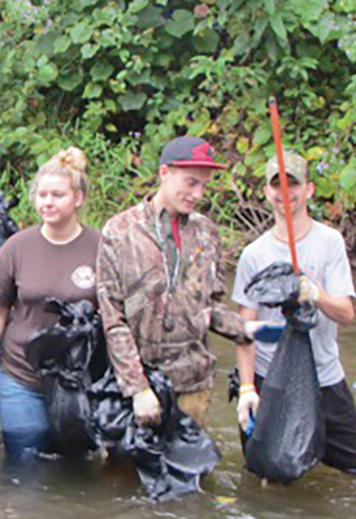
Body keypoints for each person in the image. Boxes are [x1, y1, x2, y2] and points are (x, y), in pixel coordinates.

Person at [96, 136, 268, 431]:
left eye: (204, 185)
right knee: (124, 474)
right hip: (136, 383)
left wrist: (244, 328)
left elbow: (209, 307)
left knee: (190, 473)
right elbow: (112, 319)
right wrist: (137, 388)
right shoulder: (120, 231)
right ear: (165, 172)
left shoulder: (207, 233)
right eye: (190, 182)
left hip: (193, 383)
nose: (198, 193)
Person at [0, 147, 100, 462]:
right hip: (21, 377)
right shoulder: (17, 247)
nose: (48, 202)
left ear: (78, 198)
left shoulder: (100, 248)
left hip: (77, 381)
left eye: (58, 195)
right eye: (42, 194)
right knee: (24, 466)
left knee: (75, 470)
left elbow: (114, 317)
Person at [232, 152, 356, 473]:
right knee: (266, 474)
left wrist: (314, 293)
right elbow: (244, 329)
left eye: (294, 184)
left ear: (310, 190)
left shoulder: (330, 243)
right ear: (266, 192)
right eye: (277, 186)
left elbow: (346, 314)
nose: (284, 193)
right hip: (270, 380)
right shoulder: (253, 255)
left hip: (324, 376)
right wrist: (247, 388)